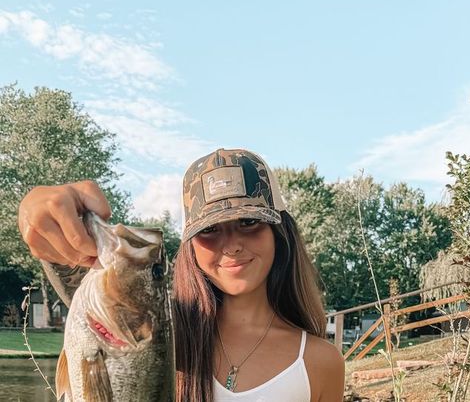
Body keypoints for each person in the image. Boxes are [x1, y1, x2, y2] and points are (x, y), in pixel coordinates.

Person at [18, 148, 345, 401]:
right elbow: (80, 281)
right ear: (190, 246)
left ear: (280, 232)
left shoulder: (319, 362)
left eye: (249, 223)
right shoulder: (159, 332)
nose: (231, 246)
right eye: (211, 230)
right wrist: (41, 208)